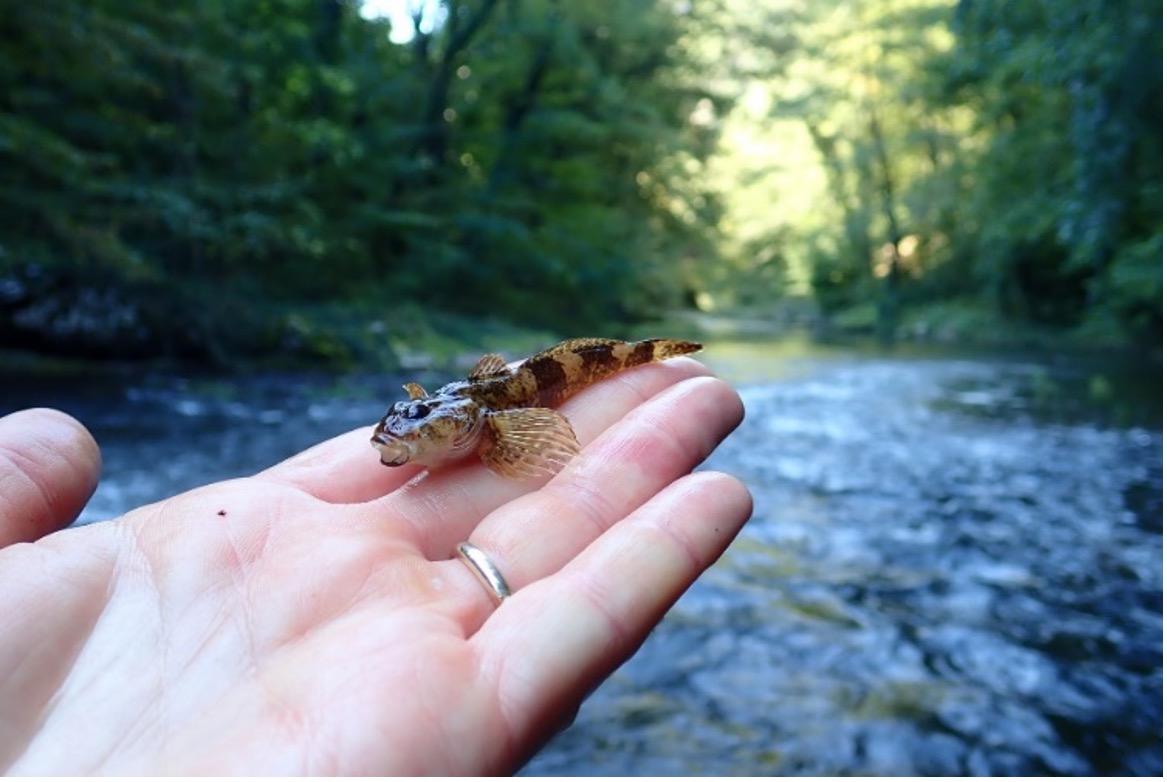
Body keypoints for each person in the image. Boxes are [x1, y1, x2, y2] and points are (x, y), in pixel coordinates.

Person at [0, 357, 751, 774]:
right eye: (399, 427)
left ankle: (651, 350)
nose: (396, 439)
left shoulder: (488, 416)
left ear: (464, 424)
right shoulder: (434, 421)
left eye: (419, 428)